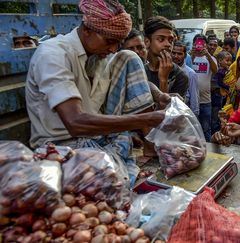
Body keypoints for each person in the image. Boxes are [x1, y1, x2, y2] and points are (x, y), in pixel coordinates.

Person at [26, 0, 168, 185]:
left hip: (96, 138)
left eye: (117, 43)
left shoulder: (100, 54)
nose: (112, 49)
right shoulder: (53, 55)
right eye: (109, 42)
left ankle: (149, 145)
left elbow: (130, 75)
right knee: (113, 183)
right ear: (86, 30)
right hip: (64, 145)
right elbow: (75, 123)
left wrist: (158, 94)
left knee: (129, 57)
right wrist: (148, 119)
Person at [143, 16, 189, 98]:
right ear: (147, 42)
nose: (168, 44)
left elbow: (168, 109)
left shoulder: (180, 76)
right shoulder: (140, 71)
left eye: (170, 40)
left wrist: (163, 80)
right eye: (161, 39)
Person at [191, 34, 218, 141]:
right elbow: (186, 68)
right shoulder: (188, 57)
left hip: (205, 100)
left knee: (206, 129)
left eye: (202, 43)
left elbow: (215, 70)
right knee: (192, 130)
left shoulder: (211, 59)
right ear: (193, 44)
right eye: (197, 43)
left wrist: (207, 56)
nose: (199, 46)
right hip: (191, 101)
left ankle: (209, 152)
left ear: (205, 45)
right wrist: (192, 56)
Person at [171, 41, 199, 117]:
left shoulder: (190, 73)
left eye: (179, 54)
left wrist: (193, 117)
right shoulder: (164, 70)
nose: (176, 56)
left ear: (185, 55)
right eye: (173, 53)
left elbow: (194, 98)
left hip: (184, 115)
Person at [211, 51, 232, 134]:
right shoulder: (220, 72)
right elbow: (220, 83)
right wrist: (228, 87)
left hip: (221, 95)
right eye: (227, 60)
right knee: (217, 114)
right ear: (219, 61)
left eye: (230, 60)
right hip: (217, 95)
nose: (229, 62)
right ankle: (216, 131)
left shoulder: (226, 70)